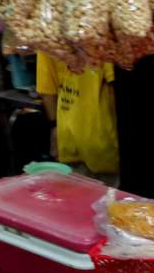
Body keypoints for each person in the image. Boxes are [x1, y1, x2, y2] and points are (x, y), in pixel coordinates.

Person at [36, 52, 120, 185]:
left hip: (67, 136)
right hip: (102, 137)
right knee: (107, 195)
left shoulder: (46, 41)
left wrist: (54, 128)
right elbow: (114, 80)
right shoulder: (103, 42)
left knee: (76, 193)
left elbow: (47, 90)